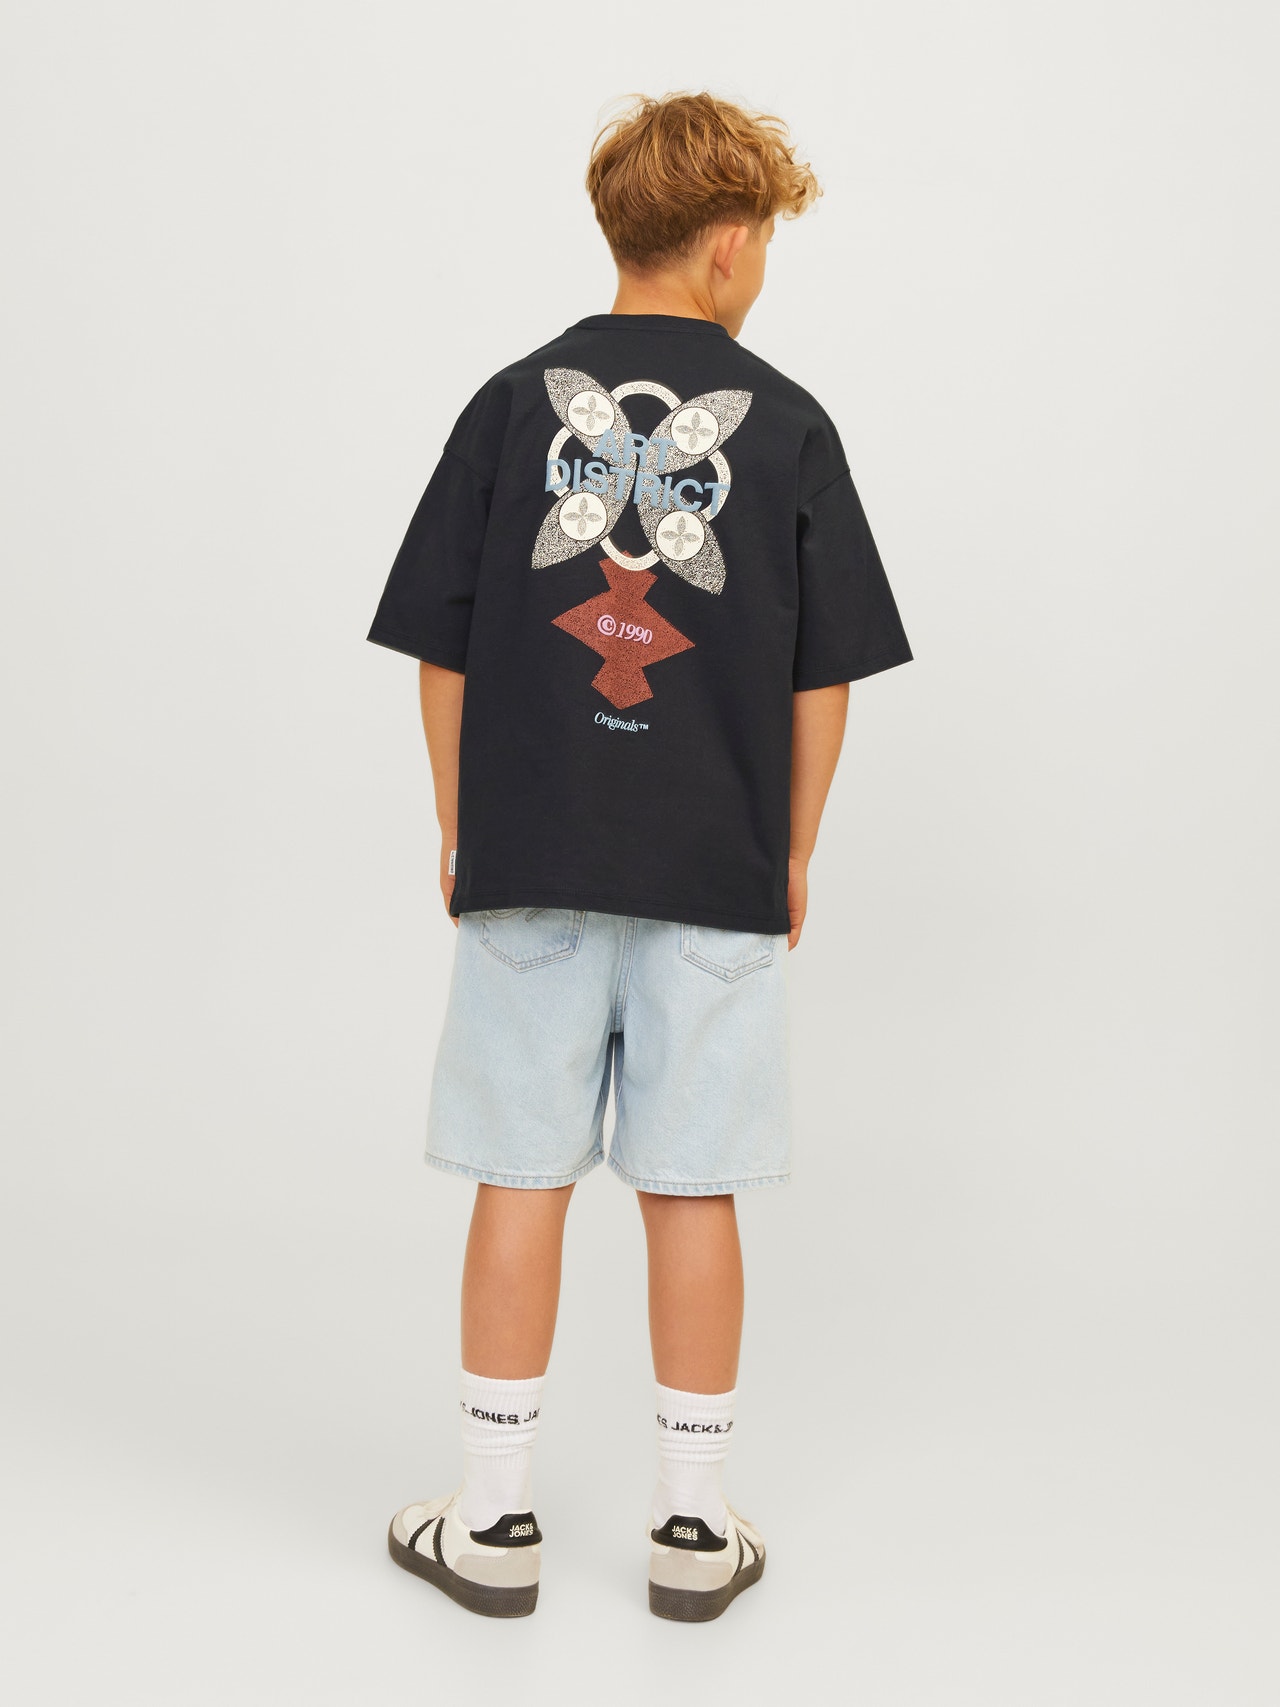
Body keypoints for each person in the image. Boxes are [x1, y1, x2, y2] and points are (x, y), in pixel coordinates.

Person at [367, 90, 913, 1622]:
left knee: (520, 1177)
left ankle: (491, 1521)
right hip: (715, 871)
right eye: (768, 243)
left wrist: (461, 823)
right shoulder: (787, 428)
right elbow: (824, 681)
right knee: (691, 1189)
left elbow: (442, 652)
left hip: (530, 856)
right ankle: (692, 1526)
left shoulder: (508, 404)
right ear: (730, 243)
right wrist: (791, 851)